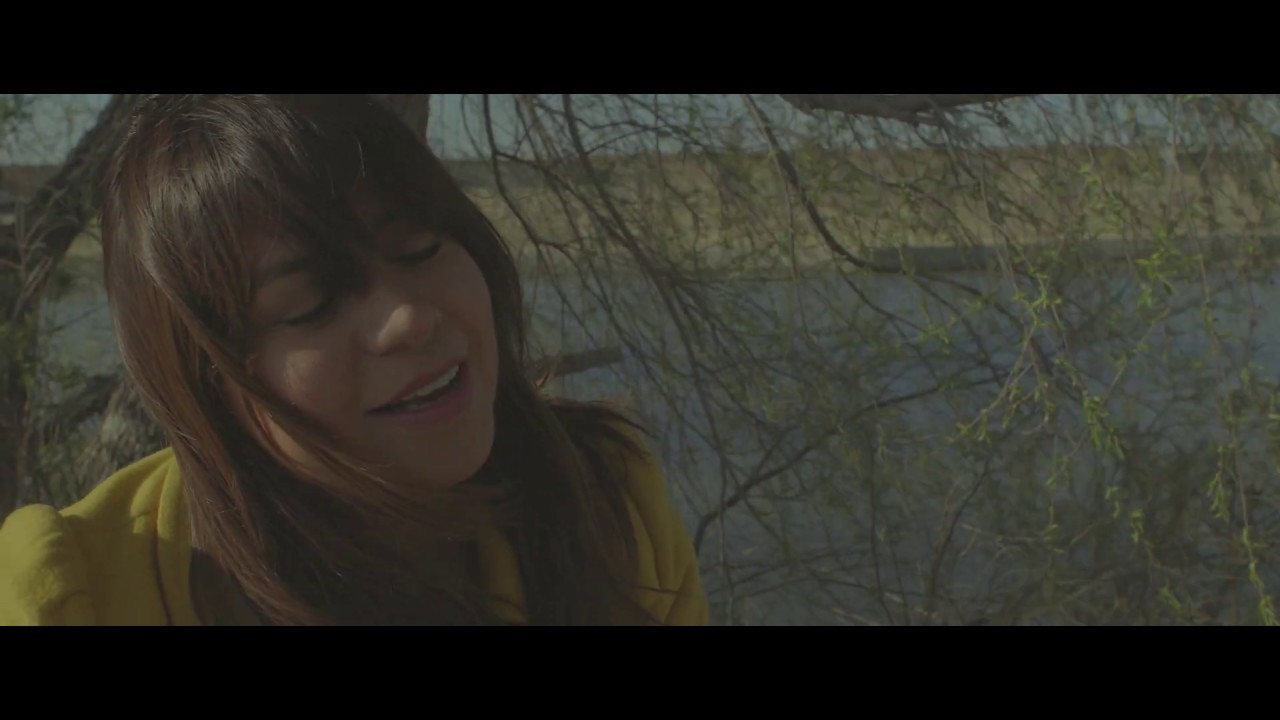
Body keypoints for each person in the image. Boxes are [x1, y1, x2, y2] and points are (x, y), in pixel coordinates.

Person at [0, 94, 708, 626]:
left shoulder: (611, 511)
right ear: (204, 382)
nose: (409, 318)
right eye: (311, 304)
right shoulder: (76, 597)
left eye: (419, 247)